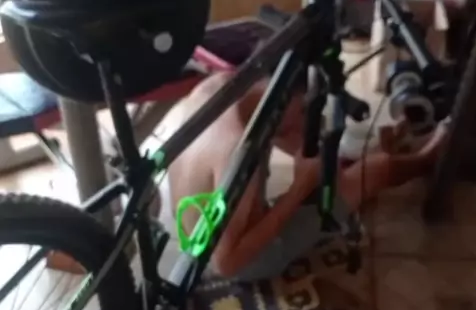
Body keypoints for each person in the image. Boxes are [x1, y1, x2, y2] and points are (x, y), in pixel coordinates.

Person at [157, 71, 446, 281]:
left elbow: (296, 135)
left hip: (196, 233)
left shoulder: (221, 86)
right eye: (304, 109)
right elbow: (226, 263)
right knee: (372, 172)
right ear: (289, 98)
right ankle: (429, 158)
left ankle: (384, 150)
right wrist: (299, 187)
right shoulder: (241, 155)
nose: (306, 120)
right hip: (238, 259)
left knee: (327, 158)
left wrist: (316, 161)